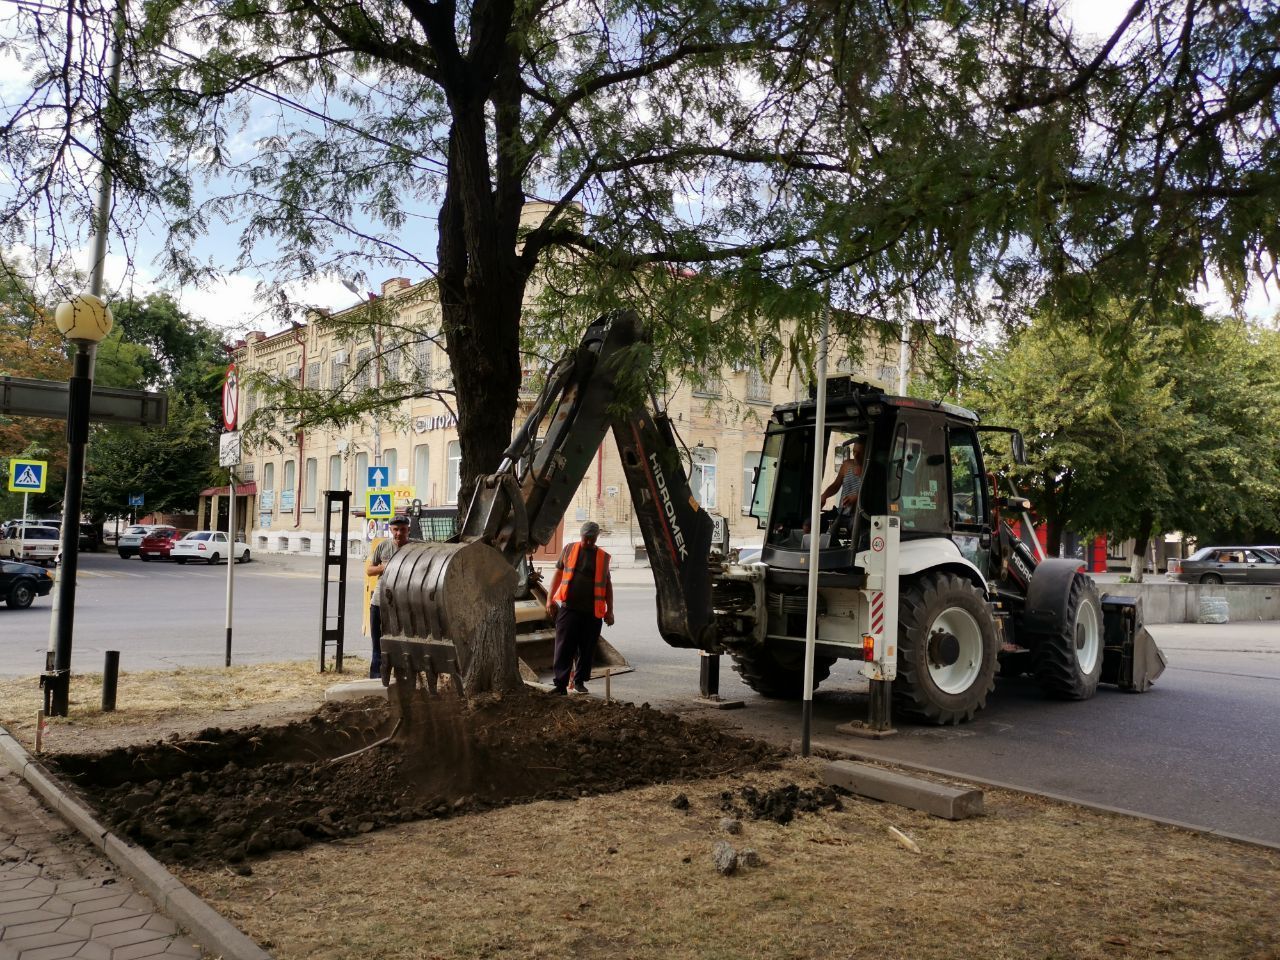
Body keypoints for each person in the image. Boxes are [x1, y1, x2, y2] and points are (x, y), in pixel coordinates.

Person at [545, 521, 615, 695]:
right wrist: (549, 600)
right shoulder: (569, 549)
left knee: (587, 648)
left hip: (592, 613)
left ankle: (579, 681)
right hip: (569, 609)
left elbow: (607, 585)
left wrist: (610, 611)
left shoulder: (603, 557)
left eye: (592, 539)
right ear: (581, 535)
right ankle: (560, 685)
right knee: (563, 647)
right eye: (586, 539)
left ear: (597, 537)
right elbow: (558, 575)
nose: (589, 542)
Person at [365, 515, 410, 679]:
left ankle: (401, 679)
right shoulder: (383, 546)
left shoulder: (414, 548)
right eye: (396, 530)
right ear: (391, 530)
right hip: (379, 603)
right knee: (378, 644)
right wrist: (385, 567)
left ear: (408, 529)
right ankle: (376, 679)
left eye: (402, 529)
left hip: (402, 606)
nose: (399, 533)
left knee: (401, 644)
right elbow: (369, 570)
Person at [821, 438, 866, 508]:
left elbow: (875, 493)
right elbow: (836, 485)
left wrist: (857, 498)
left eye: (860, 453)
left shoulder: (873, 469)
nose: (855, 456)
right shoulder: (846, 465)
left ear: (867, 453)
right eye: (854, 452)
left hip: (861, 515)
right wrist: (825, 495)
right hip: (842, 513)